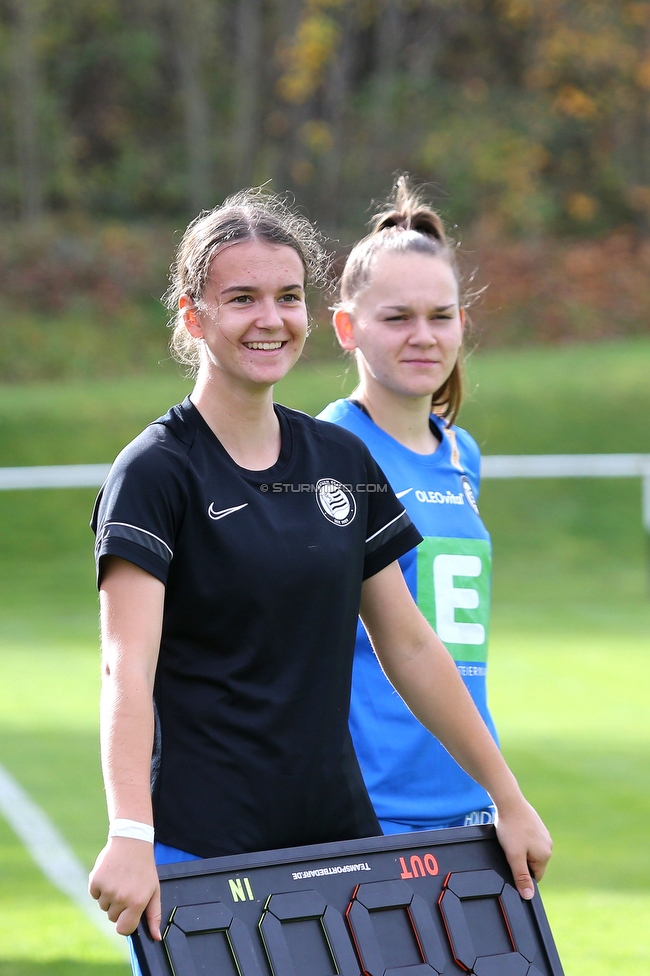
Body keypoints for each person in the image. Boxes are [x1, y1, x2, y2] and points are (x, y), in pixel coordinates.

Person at [87, 189, 551, 964]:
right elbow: (123, 666)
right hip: (202, 856)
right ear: (193, 315)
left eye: (288, 297)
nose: (270, 319)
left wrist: (507, 798)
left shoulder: (341, 461)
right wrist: (131, 834)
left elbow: (409, 644)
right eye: (242, 299)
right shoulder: (155, 473)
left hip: (342, 843)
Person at [319, 176, 506, 834]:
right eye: (397, 317)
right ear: (348, 327)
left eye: (441, 315)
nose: (423, 335)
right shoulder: (327, 452)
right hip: (369, 809)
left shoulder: (463, 456)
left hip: (469, 802)